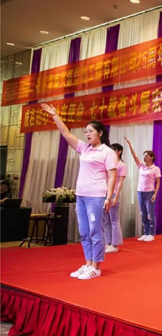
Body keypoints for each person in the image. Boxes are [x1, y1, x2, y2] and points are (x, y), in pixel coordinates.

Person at [41, 103, 116, 280]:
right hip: (81, 196)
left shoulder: (107, 152)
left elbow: (112, 176)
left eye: (90, 131)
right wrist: (55, 115)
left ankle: (96, 267)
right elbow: (66, 134)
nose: (87, 134)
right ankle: (88, 263)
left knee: (95, 232)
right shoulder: (84, 148)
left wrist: (109, 197)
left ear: (100, 133)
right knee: (84, 232)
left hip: (96, 197)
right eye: (85, 132)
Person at [124, 137, 161, 242]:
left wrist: (155, 194)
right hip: (140, 192)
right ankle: (146, 232)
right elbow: (134, 155)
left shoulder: (155, 169)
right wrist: (129, 144)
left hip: (150, 192)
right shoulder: (141, 166)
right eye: (144, 156)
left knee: (150, 213)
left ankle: (151, 234)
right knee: (143, 213)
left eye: (146, 156)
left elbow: (158, 182)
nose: (144, 157)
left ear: (151, 157)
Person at [103, 143, 127, 253]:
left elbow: (120, 183)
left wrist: (116, 196)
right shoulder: (109, 163)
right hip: (105, 193)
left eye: (113, 150)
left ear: (119, 151)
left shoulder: (121, 165)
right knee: (106, 220)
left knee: (114, 221)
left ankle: (115, 244)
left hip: (113, 194)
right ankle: (108, 242)